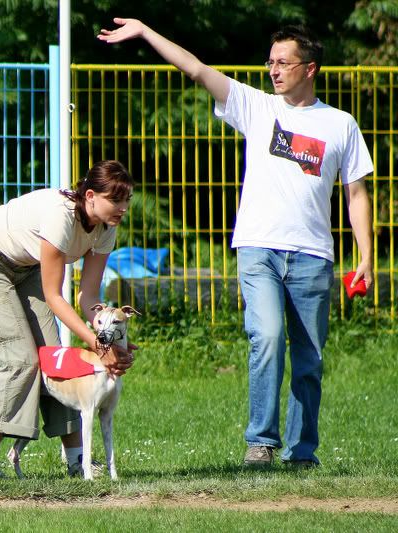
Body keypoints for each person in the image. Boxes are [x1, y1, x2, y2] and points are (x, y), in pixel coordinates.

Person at [99, 20, 373, 467]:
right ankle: (261, 443)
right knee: (265, 336)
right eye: (270, 62)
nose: (273, 70)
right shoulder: (257, 107)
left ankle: (302, 453)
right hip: (258, 249)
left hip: (313, 257)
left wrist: (365, 253)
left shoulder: (340, 124)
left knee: (309, 360)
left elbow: (356, 193)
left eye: (283, 62)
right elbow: (196, 69)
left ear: (310, 68)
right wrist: (147, 32)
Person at [0, 160, 137, 478]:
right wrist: (96, 344)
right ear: (91, 195)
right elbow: (54, 296)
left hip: (26, 266)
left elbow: (89, 298)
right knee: (22, 358)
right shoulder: (61, 216)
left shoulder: (107, 229)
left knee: (57, 359)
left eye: (127, 200)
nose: (122, 208)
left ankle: (78, 460)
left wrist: (111, 338)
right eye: (115, 199)